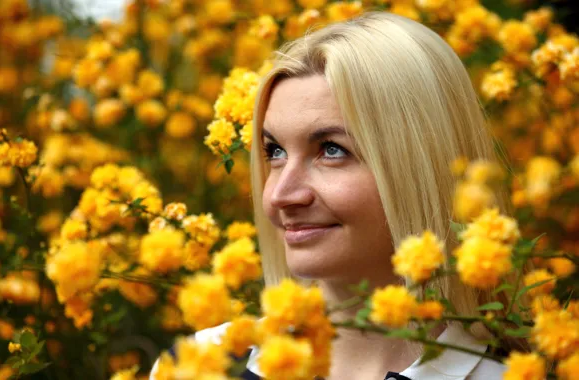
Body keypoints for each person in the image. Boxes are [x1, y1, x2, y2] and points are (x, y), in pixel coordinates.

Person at [151, 11, 522, 379]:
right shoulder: (197, 368)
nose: (281, 195)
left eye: (331, 149)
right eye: (275, 152)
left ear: (422, 165)